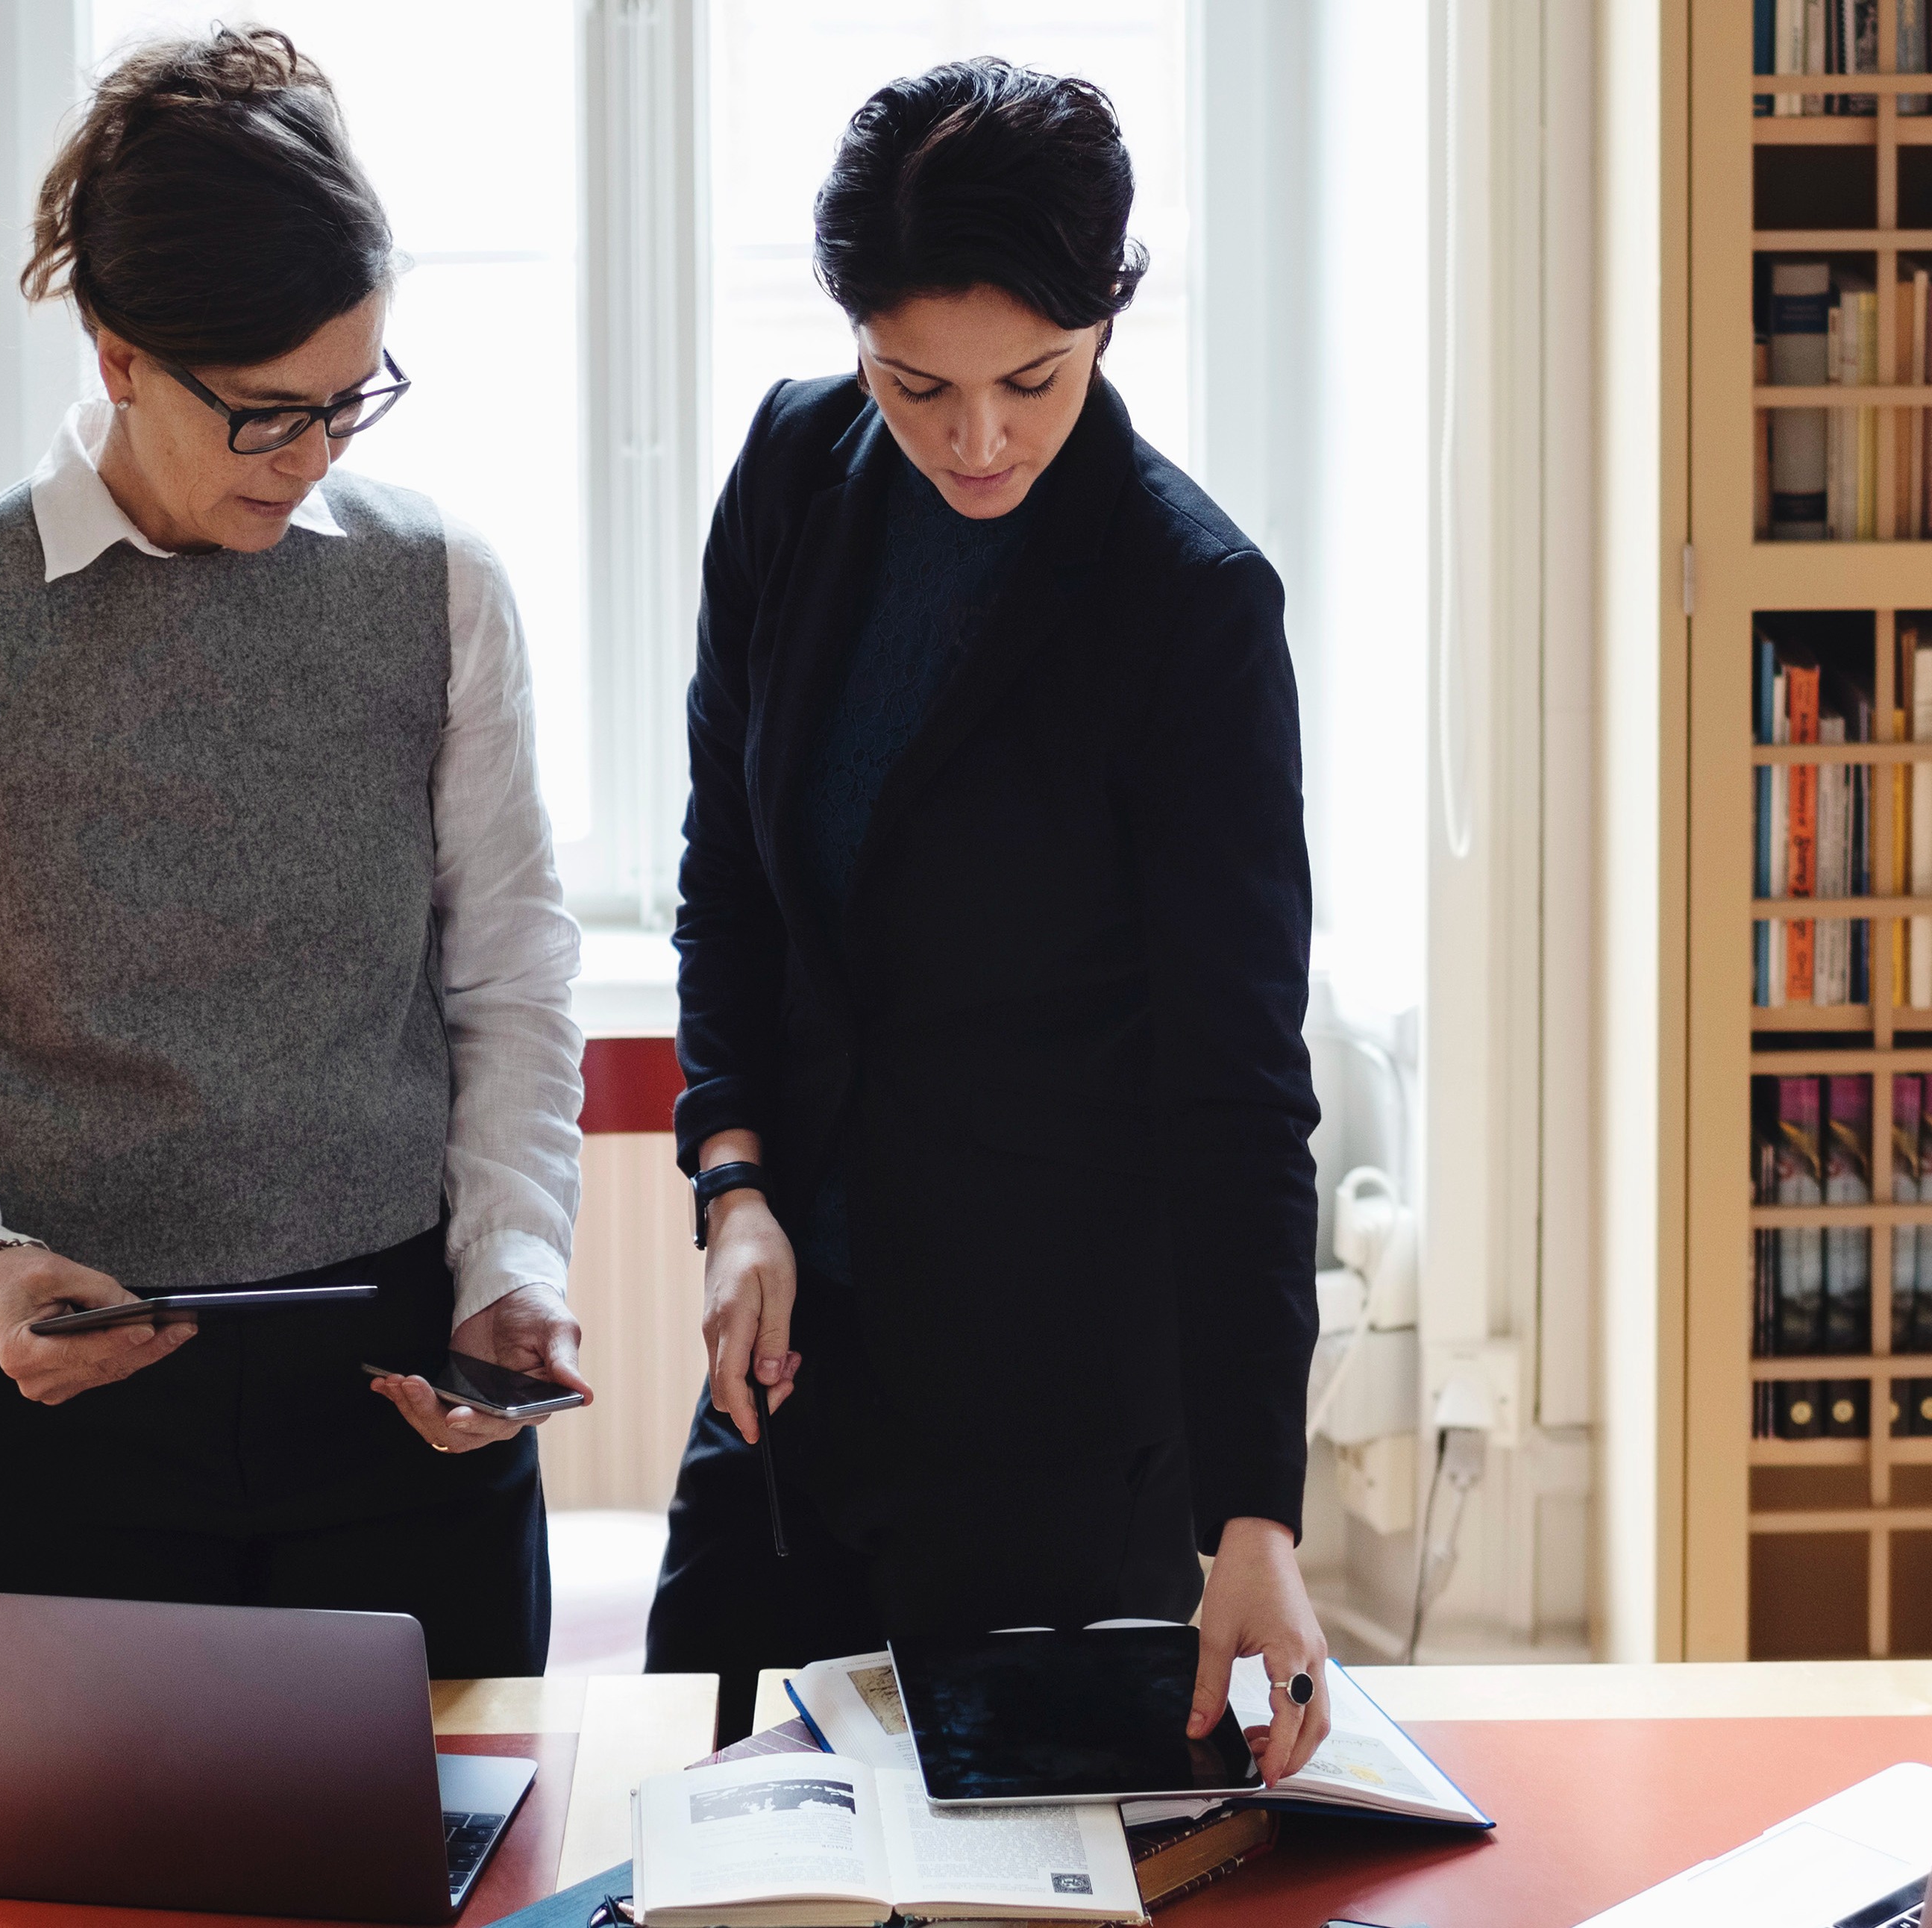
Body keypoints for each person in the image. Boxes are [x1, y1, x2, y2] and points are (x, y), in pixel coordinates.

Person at [0, 27, 586, 1686]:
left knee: (454, 1862)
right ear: (120, 356)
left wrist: (513, 1267)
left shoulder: (443, 591)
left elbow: (507, 972)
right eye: (268, 414)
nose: (316, 453)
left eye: (351, 399)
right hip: (36, 1438)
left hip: (397, 1404)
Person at [640, 58, 1330, 1774]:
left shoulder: (1194, 605)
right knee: (709, 1835)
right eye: (913, 380)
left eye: (1031, 377)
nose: (976, 436)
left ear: (1109, 309)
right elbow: (730, 866)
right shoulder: (794, 475)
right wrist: (732, 1182)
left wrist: (1258, 1516)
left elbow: (1240, 1087)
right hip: (797, 1372)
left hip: (1059, 1415)